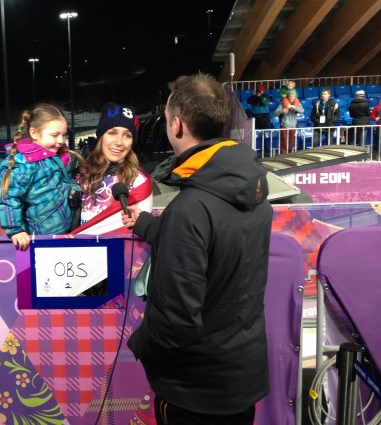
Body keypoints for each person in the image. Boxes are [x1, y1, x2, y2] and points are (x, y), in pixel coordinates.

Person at [121, 72, 272, 424]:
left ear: (176, 125)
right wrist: (146, 225)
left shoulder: (190, 208)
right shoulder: (251, 188)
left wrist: (141, 344)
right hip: (241, 379)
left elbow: (176, 321)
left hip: (196, 392)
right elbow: (215, 240)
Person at [0, 103, 82, 251]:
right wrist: (15, 229)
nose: (61, 140)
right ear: (34, 133)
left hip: (64, 231)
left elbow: (64, 182)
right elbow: (6, 195)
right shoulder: (24, 163)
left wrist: (73, 191)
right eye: (54, 135)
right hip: (39, 238)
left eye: (63, 135)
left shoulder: (56, 156)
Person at [72, 101, 153, 236]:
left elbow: (140, 237)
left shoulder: (139, 181)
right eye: (112, 133)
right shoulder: (79, 176)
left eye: (127, 135)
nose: (119, 142)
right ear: (101, 137)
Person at [274, 89, 303, 154]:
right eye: (290, 96)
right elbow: (274, 114)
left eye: (292, 96)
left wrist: (292, 107)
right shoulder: (282, 104)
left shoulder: (297, 104)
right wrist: (281, 111)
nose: (291, 97)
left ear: (295, 96)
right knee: (284, 144)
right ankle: (283, 157)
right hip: (284, 126)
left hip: (293, 126)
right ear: (288, 96)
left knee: (290, 145)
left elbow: (302, 111)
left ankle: (289, 155)